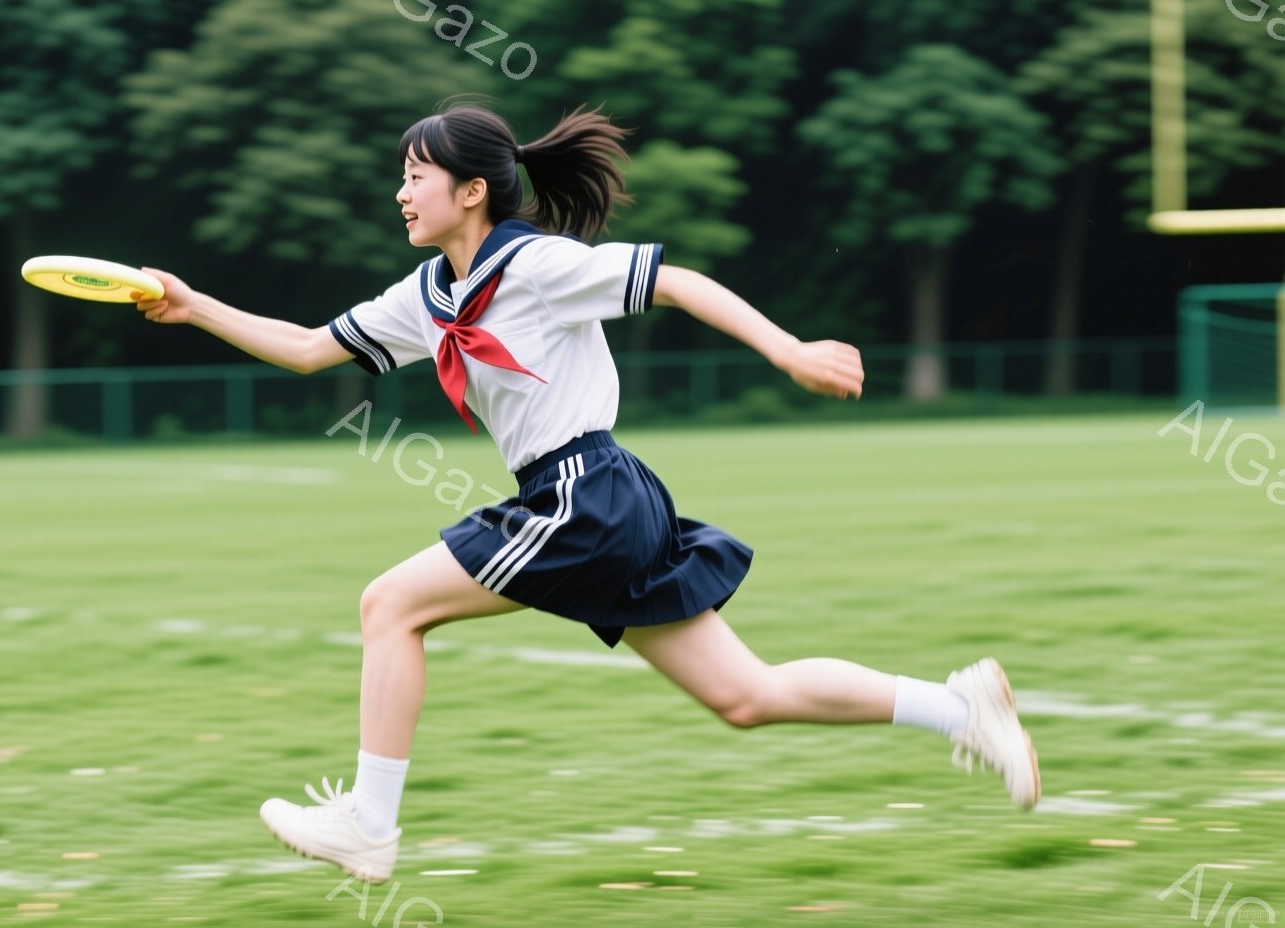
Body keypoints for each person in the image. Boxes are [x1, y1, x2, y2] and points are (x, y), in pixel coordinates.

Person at [133, 102, 1040, 885]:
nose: (402, 194)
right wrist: (193, 304)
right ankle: (962, 708)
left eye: (416, 176)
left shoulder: (534, 266)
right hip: (600, 497)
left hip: (584, 492)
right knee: (745, 697)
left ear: (472, 189)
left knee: (390, 605)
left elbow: (674, 281)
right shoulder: (429, 293)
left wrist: (789, 349)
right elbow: (304, 346)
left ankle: (370, 827)